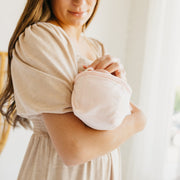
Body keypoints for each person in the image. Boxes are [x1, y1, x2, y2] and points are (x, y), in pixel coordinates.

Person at [0, 0, 147, 179]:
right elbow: (75, 149)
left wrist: (119, 83)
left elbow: (112, 118)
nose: (80, 2)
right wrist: (136, 122)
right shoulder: (42, 38)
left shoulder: (96, 48)